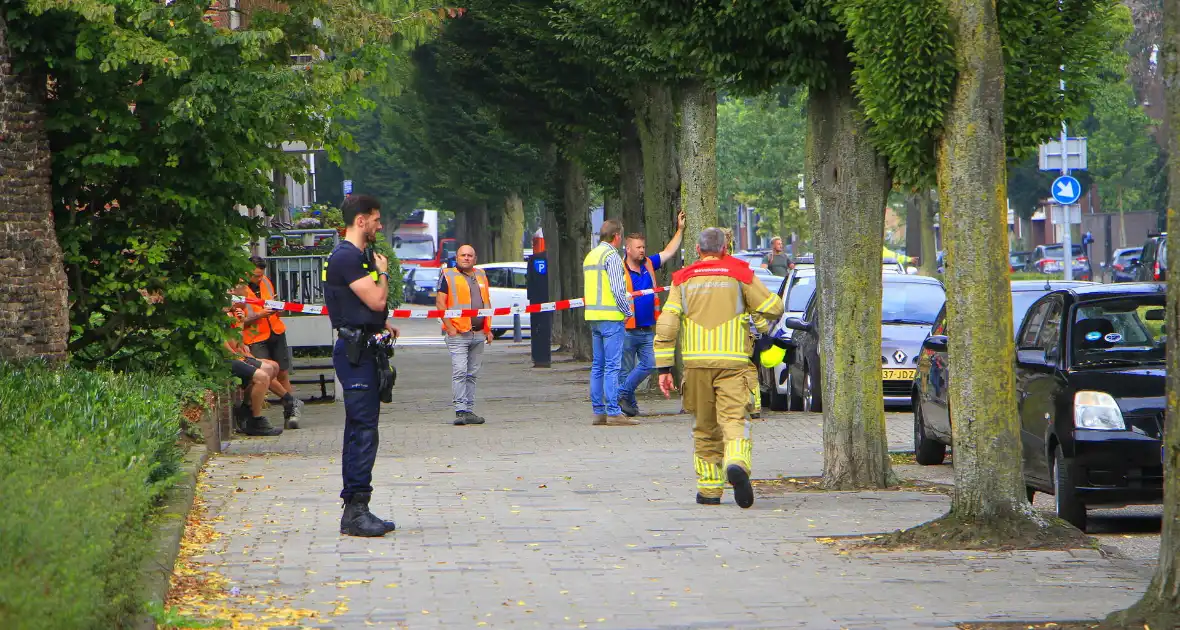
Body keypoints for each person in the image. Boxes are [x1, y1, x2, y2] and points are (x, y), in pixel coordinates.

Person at [655, 228, 785, 508]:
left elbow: (667, 324)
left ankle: (709, 491)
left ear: (699, 250)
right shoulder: (740, 274)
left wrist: (664, 368)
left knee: (704, 427)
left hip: (696, 365)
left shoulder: (682, 279)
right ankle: (736, 463)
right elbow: (774, 308)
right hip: (733, 363)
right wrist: (753, 310)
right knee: (734, 420)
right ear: (725, 249)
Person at [323, 194, 400, 538]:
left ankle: (358, 506)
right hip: (355, 353)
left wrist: (379, 325)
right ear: (360, 221)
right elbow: (375, 298)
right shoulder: (346, 257)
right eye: (376, 219)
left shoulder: (356, 256)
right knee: (362, 430)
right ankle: (355, 511)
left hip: (365, 347)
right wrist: (383, 274)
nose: (379, 226)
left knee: (362, 428)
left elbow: (366, 307)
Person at [616, 211, 686, 417]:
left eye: (643, 247)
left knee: (650, 364)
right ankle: (630, 407)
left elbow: (668, 252)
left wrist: (680, 230)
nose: (642, 250)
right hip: (627, 328)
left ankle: (621, 394)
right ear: (628, 249)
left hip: (647, 329)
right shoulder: (619, 269)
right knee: (625, 371)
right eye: (638, 247)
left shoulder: (648, 263)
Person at [582, 219, 636, 426]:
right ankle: (614, 411)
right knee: (613, 366)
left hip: (594, 317)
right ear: (617, 236)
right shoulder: (611, 256)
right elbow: (617, 288)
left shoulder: (591, 255)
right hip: (612, 318)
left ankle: (599, 412)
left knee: (598, 365)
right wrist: (627, 310)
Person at [242, 256, 303, 428]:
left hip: (275, 330)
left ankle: (290, 413)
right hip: (255, 336)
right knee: (266, 372)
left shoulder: (266, 282)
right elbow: (237, 319)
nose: (259, 279)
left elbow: (273, 301)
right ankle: (290, 402)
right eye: (255, 276)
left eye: (261, 275)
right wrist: (259, 315)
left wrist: (278, 308)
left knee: (282, 372)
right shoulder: (239, 289)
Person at [436, 245, 494, 426]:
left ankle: (469, 410)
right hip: (458, 333)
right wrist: (448, 326)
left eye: (470, 255)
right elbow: (440, 302)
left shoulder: (481, 275)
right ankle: (460, 410)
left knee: (472, 374)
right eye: (463, 255)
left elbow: (486, 302)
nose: (466, 258)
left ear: (475, 259)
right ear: (457, 257)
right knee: (460, 371)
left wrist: (488, 328)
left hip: (478, 332)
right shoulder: (447, 275)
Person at [225, 299, 286, 436]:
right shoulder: (217, 319)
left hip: (235, 355)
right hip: (226, 359)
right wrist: (239, 356)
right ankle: (256, 419)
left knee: (271, 368)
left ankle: (247, 409)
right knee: (263, 375)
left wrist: (240, 323)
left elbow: (238, 343)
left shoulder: (230, 316)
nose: (234, 302)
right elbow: (229, 348)